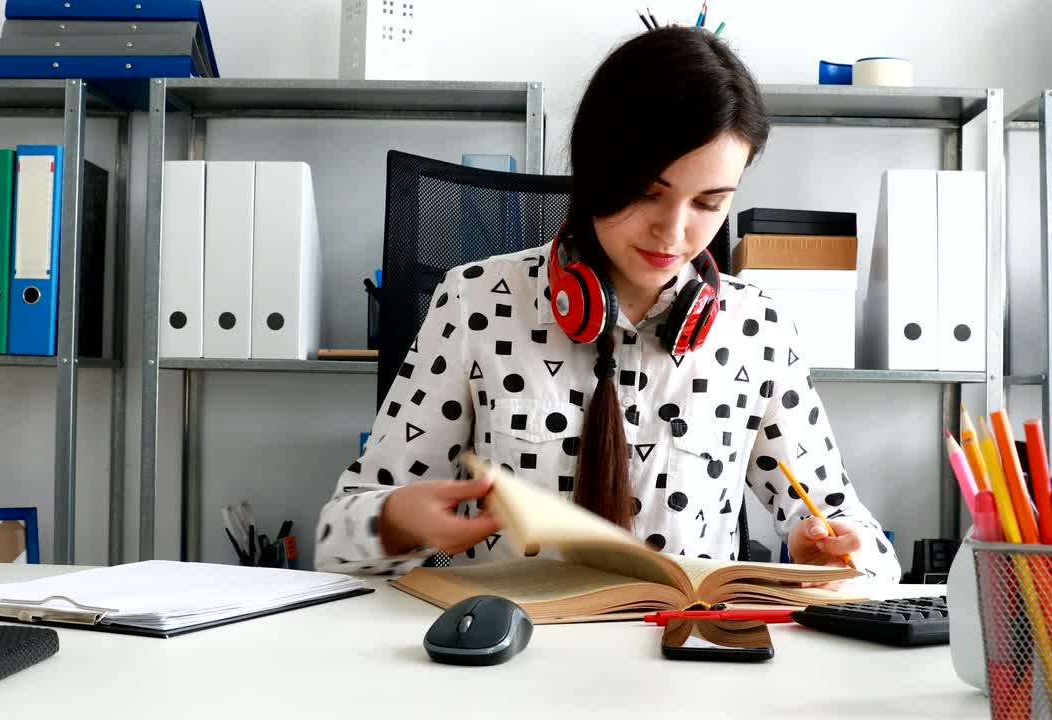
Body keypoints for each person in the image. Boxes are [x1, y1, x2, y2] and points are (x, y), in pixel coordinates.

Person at [315, 26, 901, 584]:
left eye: (709, 202)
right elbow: (336, 542)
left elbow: (859, 539)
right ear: (596, 172)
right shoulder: (476, 301)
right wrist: (395, 521)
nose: (674, 232)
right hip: (511, 662)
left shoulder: (759, 330)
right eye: (650, 193)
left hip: (682, 661)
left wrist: (832, 552)